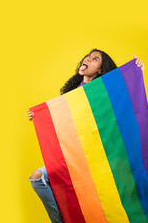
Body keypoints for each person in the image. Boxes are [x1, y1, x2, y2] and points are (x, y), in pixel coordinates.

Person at [27, 49, 145, 223]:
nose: (88, 59)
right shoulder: (73, 92)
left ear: (100, 69)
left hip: (97, 157)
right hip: (73, 154)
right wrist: (38, 118)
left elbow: (123, 105)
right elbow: (64, 124)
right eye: (88, 56)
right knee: (38, 177)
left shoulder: (103, 92)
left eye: (95, 59)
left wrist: (136, 73)